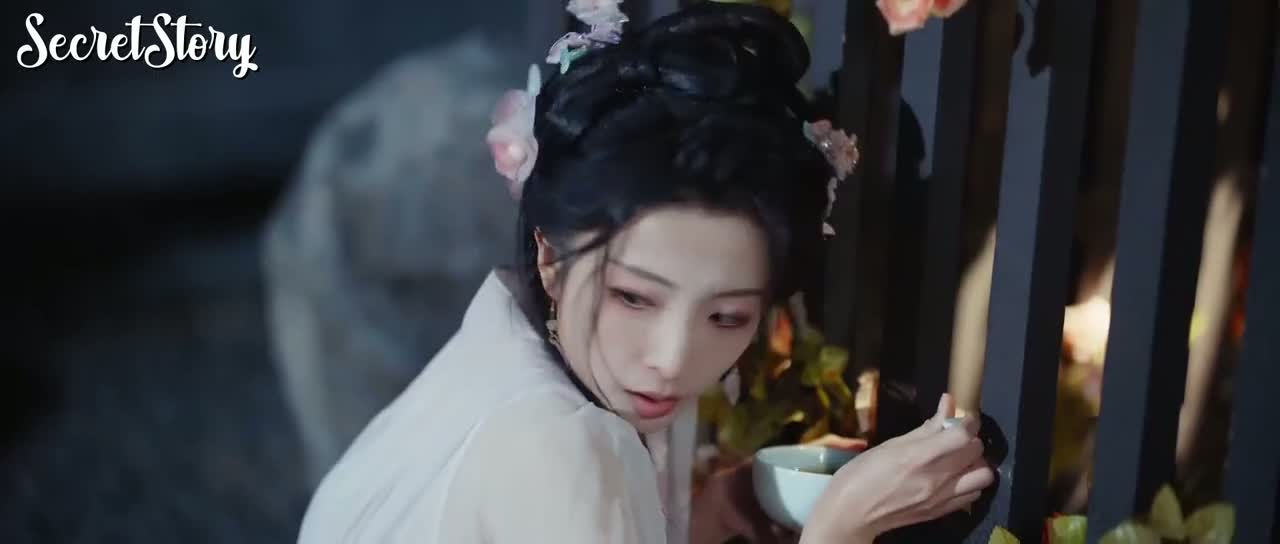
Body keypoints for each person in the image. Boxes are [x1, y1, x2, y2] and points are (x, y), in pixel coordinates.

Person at [297, 3, 994, 543]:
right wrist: (841, 528)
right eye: (633, 298)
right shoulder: (554, 443)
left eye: (728, 316)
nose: (673, 359)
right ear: (550, 256)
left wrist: (698, 514)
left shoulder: (496, 345)